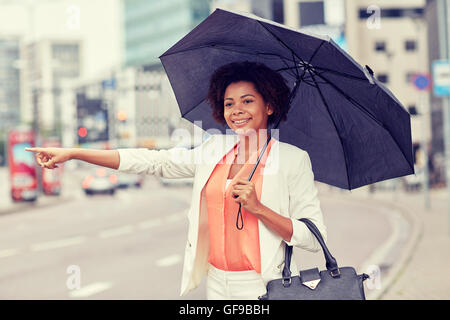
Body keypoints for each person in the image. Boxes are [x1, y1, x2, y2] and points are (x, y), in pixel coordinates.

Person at [25, 61, 327, 300]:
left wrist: (259, 208)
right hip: (218, 283)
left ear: (270, 105)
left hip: (265, 284)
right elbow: (155, 161)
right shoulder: (214, 149)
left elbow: (314, 237)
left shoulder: (292, 160)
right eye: (229, 103)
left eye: (247, 101)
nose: (237, 111)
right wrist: (76, 153)